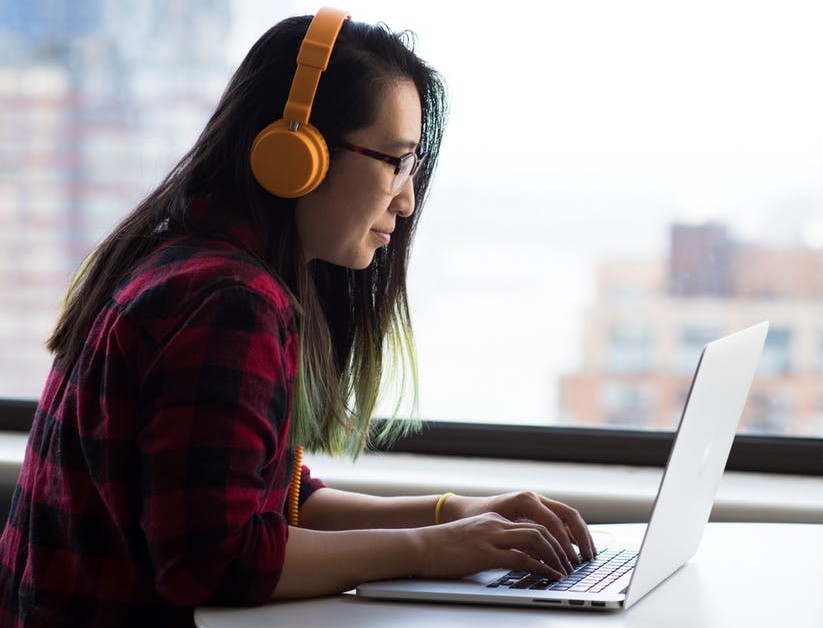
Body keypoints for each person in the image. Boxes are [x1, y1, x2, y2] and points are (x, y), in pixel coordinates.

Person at [0, 7, 595, 627]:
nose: (408, 198)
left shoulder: (189, 262)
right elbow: (214, 559)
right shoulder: (227, 301)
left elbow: (276, 500)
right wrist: (430, 550)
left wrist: (455, 513)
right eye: (394, 160)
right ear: (295, 152)